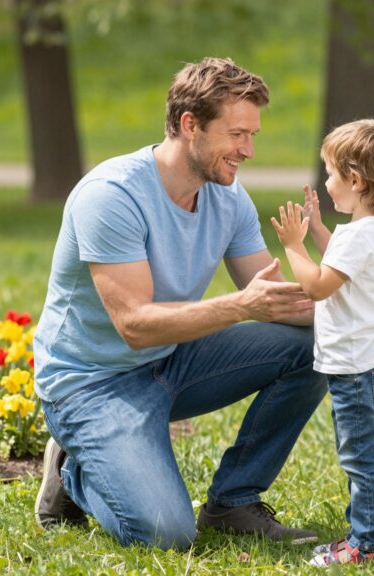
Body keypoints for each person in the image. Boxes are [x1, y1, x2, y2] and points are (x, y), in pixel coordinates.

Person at [32, 57, 327, 551]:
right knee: (165, 534)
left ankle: (233, 502)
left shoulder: (227, 197)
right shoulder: (111, 196)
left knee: (319, 344)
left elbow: (272, 296)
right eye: (237, 135)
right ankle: (73, 470)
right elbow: (135, 326)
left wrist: (359, 319)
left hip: (171, 359)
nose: (248, 150)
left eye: (252, 135)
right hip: (92, 383)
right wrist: (239, 307)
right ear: (190, 125)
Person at [271, 119, 374, 566]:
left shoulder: (360, 235)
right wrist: (316, 232)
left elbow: (317, 286)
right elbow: (345, 261)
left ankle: (367, 546)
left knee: (361, 459)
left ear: (356, 180)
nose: (326, 183)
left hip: (358, 368)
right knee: (371, 455)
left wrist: (294, 246)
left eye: (330, 173)